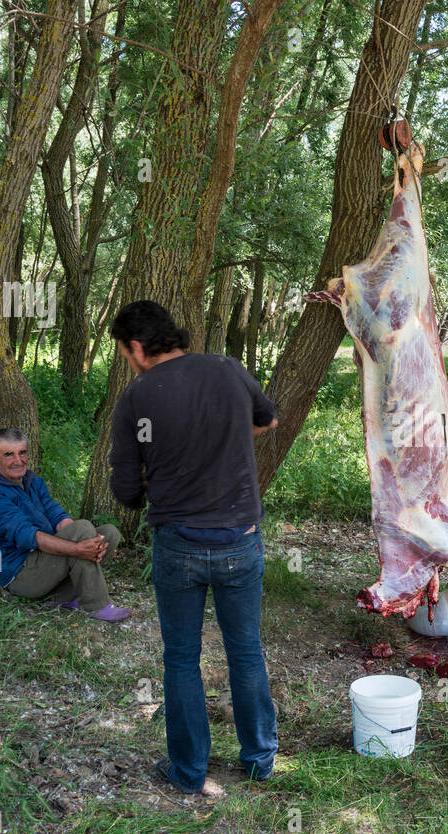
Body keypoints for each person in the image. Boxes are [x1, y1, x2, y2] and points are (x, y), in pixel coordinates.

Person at [109, 300, 279, 797]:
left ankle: (187, 771)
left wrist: (146, 482)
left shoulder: (138, 397)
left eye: (124, 351)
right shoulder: (226, 369)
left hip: (178, 544)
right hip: (240, 542)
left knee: (181, 657)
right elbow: (266, 420)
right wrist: (226, 436)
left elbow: (124, 492)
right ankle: (259, 759)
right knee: (246, 650)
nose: (127, 360)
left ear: (137, 347)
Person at [0, 427, 130, 621]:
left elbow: (56, 515)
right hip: (18, 573)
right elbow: (27, 536)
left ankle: (62, 597)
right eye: (9, 455)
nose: (18, 460)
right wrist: (77, 547)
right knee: (82, 532)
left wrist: (85, 541)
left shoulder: (30, 480)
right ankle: (96, 605)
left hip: (42, 561)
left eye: (22, 452)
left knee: (108, 534)